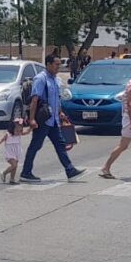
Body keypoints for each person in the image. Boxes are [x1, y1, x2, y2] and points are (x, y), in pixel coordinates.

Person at [20, 54, 86, 182]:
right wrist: (32, 119)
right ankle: (26, 172)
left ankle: (70, 170)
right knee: (35, 145)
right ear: (48, 64)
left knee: (60, 145)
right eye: (56, 64)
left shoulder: (55, 79)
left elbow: (57, 98)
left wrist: (60, 112)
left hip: (54, 119)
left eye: (59, 65)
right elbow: (35, 100)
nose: (58, 67)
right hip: (43, 120)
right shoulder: (41, 79)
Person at [0, 118, 29, 184]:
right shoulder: (8, 135)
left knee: (15, 166)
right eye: (17, 130)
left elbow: (27, 132)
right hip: (10, 153)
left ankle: (12, 179)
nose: (19, 132)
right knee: (14, 165)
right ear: (12, 129)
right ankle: (4, 173)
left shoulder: (19, 134)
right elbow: (1, 140)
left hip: (17, 152)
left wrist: (31, 128)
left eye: (20, 130)